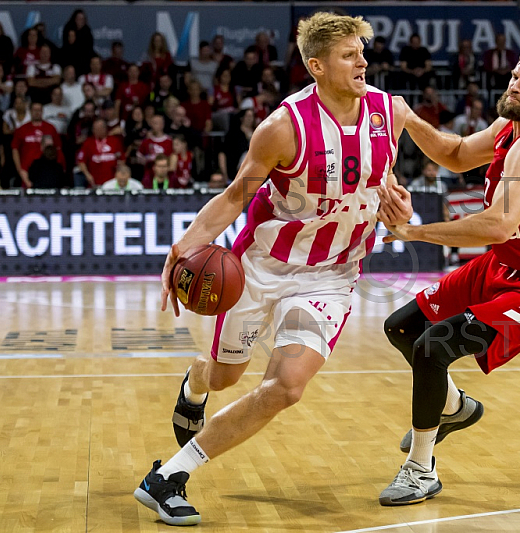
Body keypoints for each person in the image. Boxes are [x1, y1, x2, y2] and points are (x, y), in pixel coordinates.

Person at [133, 13, 410, 526]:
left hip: (331, 273)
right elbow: (234, 196)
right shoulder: (282, 127)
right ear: (317, 66)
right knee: (226, 376)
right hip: (262, 266)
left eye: (362, 52)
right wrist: (183, 247)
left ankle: (167, 475)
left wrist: (401, 208)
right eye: (350, 55)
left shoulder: (387, 114)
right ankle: (195, 380)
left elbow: (424, 166)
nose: (363, 62)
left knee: (286, 387)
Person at [375, 46, 520, 506]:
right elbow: (454, 154)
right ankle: (455, 408)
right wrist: (408, 117)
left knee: (432, 347)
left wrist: (410, 232)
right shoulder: (509, 126)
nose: (515, 85)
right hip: (505, 265)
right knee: (402, 327)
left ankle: (420, 470)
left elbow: (498, 224)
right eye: (515, 76)